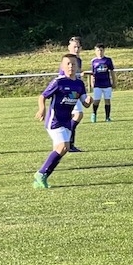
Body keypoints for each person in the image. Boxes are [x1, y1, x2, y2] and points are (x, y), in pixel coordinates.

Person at [33, 53, 92, 189]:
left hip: (67, 121)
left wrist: (89, 100)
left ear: (77, 66)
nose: (71, 66)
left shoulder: (79, 84)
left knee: (61, 150)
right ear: (62, 66)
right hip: (55, 120)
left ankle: (41, 180)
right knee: (63, 147)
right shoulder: (58, 82)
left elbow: (85, 102)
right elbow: (42, 96)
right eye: (68, 64)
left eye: (73, 64)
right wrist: (42, 109)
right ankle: (41, 174)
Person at [65, 36, 85, 151]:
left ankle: (70, 144)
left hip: (75, 90)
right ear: (69, 47)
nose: (76, 49)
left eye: (78, 47)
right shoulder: (67, 60)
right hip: (68, 91)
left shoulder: (78, 60)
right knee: (78, 114)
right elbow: (64, 75)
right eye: (74, 47)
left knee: (74, 116)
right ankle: (68, 142)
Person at [89, 43, 116, 123]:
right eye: (98, 50)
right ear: (95, 51)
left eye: (101, 50)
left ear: (104, 51)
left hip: (107, 84)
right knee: (96, 101)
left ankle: (107, 117)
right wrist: (92, 83)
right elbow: (92, 73)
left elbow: (112, 72)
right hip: (98, 84)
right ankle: (94, 114)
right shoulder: (94, 61)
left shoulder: (108, 60)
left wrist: (114, 82)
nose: (100, 52)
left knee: (107, 100)